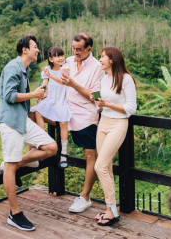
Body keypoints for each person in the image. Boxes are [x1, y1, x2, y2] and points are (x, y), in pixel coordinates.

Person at [0, 35, 58, 231]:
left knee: (51, 147)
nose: (38, 50)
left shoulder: (25, 69)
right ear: (25, 50)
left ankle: (12, 164)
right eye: (35, 47)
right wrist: (34, 94)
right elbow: (9, 96)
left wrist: (38, 94)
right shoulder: (13, 67)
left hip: (22, 121)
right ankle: (15, 213)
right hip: (10, 122)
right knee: (11, 167)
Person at [93, 47, 137, 226]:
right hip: (103, 122)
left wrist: (108, 103)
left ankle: (112, 211)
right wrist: (98, 103)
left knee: (100, 166)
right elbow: (103, 106)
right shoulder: (103, 80)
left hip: (118, 124)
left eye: (103, 57)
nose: (100, 59)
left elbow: (131, 108)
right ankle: (109, 208)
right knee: (107, 168)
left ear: (112, 59)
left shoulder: (126, 79)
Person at [60, 33, 104, 213]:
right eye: (73, 48)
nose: (75, 52)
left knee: (89, 154)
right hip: (65, 113)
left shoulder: (97, 67)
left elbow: (95, 96)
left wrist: (73, 84)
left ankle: (85, 196)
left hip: (86, 115)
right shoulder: (68, 61)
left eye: (79, 49)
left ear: (89, 49)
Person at [30, 46, 71, 168]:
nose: (61, 58)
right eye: (57, 56)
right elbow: (44, 85)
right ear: (51, 59)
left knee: (63, 122)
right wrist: (41, 94)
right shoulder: (47, 69)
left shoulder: (65, 68)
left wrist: (51, 75)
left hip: (62, 100)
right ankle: (42, 142)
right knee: (37, 112)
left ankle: (64, 152)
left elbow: (63, 82)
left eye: (62, 55)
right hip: (51, 100)